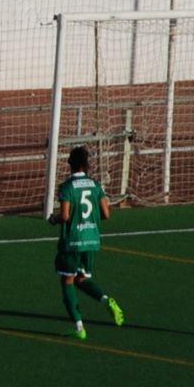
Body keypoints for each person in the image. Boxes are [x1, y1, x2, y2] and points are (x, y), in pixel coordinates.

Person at [52, 146, 123, 341]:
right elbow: (106, 214)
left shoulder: (66, 187)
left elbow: (65, 216)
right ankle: (107, 300)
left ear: (70, 164)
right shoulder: (95, 184)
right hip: (91, 240)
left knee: (67, 281)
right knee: (80, 279)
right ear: (87, 164)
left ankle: (79, 327)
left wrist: (53, 219)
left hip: (73, 241)